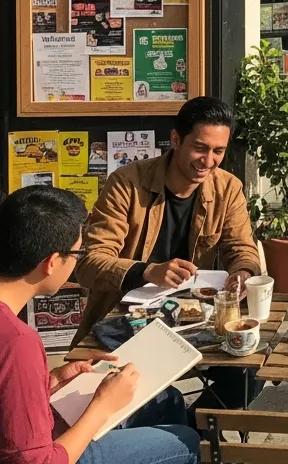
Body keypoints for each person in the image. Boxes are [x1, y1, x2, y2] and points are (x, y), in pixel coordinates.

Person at [76, 97, 263, 415]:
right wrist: (147, 271)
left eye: (218, 151)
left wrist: (243, 272)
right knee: (154, 398)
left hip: (194, 322)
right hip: (125, 324)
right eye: (200, 148)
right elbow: (90, 262)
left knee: (251, 371)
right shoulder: (127, 184)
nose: (209, 161)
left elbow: (241, 247)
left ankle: (191, 431)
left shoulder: (227, 187)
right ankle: (180, 435)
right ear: (176, 140)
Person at [0, 186, 199, 464]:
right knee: (184, 441)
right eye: (77, 255)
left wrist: (50, 382)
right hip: (54, 454)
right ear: (53, 263)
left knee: (167, 401)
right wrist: (101, 407)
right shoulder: (18, 342)